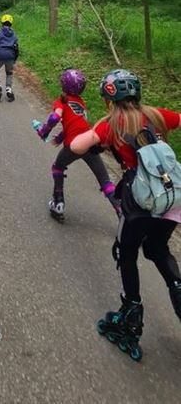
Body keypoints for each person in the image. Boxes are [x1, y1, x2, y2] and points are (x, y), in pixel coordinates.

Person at [70, 69, 181, 360]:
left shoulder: (111, 124)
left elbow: (76, 146)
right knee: (158, 249)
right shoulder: (157, 116)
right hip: (170, 198)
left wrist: (99, 132)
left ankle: (131, 316)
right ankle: (178, 290)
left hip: (140, 201)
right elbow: (178, 120)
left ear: (110, 99)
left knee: (126, 251)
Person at [34, 69, 121, 222]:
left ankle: (58, 202)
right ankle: (121, 212)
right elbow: (76, 123)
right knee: (105, 181)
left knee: (57, 167)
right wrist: (61, 137)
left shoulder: (62, 100)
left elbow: (56, 117)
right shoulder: (80, 103)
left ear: (63, 85)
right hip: (89, 142)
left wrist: (44, 131)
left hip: (74, 146)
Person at [0, 14, 19, 102]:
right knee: (9, 73)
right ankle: (9, 90)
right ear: (11, 24)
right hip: (10, 55)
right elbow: (16, 47)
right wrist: (14, 59)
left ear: (2, 23)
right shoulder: (14, 34)